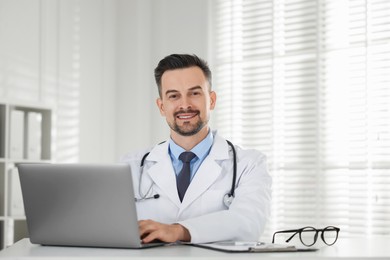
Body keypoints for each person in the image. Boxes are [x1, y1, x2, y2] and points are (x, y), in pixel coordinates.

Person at [121, 54, 271, 244]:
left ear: (212, 100)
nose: (185, 105)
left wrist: (179, 231)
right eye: (174, 96)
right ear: (161, 106)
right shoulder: (131, 167)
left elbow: (249, 223)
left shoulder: (249, 164)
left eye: (194, 93)